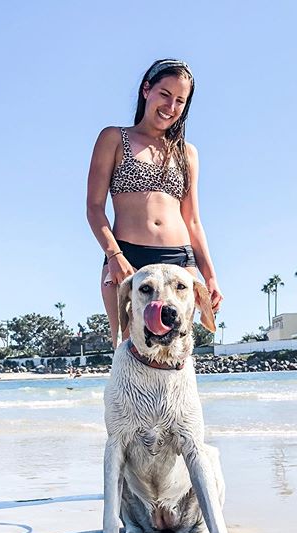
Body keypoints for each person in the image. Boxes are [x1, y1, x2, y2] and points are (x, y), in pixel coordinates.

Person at [87, 58, 223, 347]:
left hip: (180, 261)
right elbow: (94, 208)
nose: (170, 107)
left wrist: (210, 277)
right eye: (164, 94)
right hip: (127, 259)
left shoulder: (187, 153)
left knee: (176, 354)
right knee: (129, 350)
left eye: (180, 101)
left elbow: (194, 221)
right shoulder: (113, 138)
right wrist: (115, 257)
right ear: (146, 89)